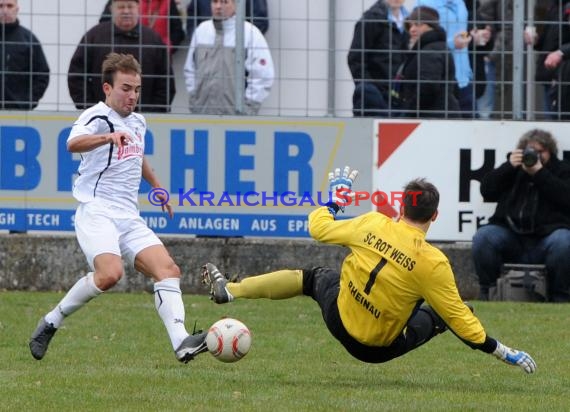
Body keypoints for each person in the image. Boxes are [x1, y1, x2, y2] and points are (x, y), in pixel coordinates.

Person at [202, 166, 536, 373]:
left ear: (401, 205)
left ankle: (232, 290)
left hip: (339, 318)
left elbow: (318, 228)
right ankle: (426, 319)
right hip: (375, 350)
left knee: (312, 278)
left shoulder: (372, 223)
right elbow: (463, 322)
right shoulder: (433, 263)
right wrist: (503, 351)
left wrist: (335, 202)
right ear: (434, 216)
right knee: (447, 314)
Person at [29, 53, 207, 363]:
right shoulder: (96, 117)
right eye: (126, 88)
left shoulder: (138, 121)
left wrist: (157, 186)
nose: (133, 96)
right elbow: (72, 143)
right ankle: (51, 321)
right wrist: (108, 137)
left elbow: (137, 157)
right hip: (96, 211)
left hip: (129, 216)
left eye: (136, 89)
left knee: (168, 270)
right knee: (110, 275)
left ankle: (181, 342)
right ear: (107, 89)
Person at [472, 129, 570, 302]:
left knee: (564, 241)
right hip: (511, 236)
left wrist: (539, 174)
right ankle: (488, 293)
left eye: (541, 152)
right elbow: (486, 190)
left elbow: (565, 198)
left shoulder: (562, 170)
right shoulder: (513, 169)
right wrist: (508, 167)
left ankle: (559, 297)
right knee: (483, 237)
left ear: (550, 152)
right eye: (531, 151)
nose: (535, 156)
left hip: (547, 238)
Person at [68, 0, 175, 113]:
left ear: (138, 8)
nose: (126, 11)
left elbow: (166, 82)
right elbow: (76, 76)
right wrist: (92, 109)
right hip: (101, 117)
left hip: (144, 117)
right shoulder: (94, 36)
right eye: (121, 7)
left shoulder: (153, 39)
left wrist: (153, 113)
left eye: (130, 7)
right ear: (111, 9)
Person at [184, 0, 274, 115]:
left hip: (236, 117)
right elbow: (189, 69)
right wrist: (194, 99)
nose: (218, 7)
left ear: (236, 5)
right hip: (202, 114)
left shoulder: (250, 34)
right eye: (215, 2)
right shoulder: (201, 31)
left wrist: (248, 108)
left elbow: (263, 75)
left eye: (224, 2)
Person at [347, 0, 410, 117]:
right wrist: (370, 88)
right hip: (376, 97)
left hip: (401, 97)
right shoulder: (371, 19)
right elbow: (355, 58)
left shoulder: (411, 21)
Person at [397, 6, 460, 118]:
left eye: (418, 24)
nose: (412, 29)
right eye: (410, 25)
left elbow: (428, 87)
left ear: (431, 27)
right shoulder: (432, 47)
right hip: (436, 115)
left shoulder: (430, 50)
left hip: (432, 118)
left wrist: (409, 112)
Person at [416, 0, 475, 118]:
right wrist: (452, 43)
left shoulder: (460, 3)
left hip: (464, 77)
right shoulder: (424, 3)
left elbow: (461, 31)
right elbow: (421, 40)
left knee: (470, 126)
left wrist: (473, 37)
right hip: (443, 77)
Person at [0, 0, 50, 109]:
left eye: (9, 6)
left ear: (17, 9)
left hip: (18, 112)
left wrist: (27, 102)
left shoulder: (28, 40)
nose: (4, 10)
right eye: (0, 6)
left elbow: (42, 74)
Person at [99, 0, 186, 54]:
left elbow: (178, 32)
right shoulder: (121, 2)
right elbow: (104, 24)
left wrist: (165, 49)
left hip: (155, 58)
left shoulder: (168, 2)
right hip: (123, 57)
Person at [186, 0, 268, 38]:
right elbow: (192, 18)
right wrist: (199, 39)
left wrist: (239, 42)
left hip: (238, 55)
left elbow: (260, 22)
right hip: (207, 54)